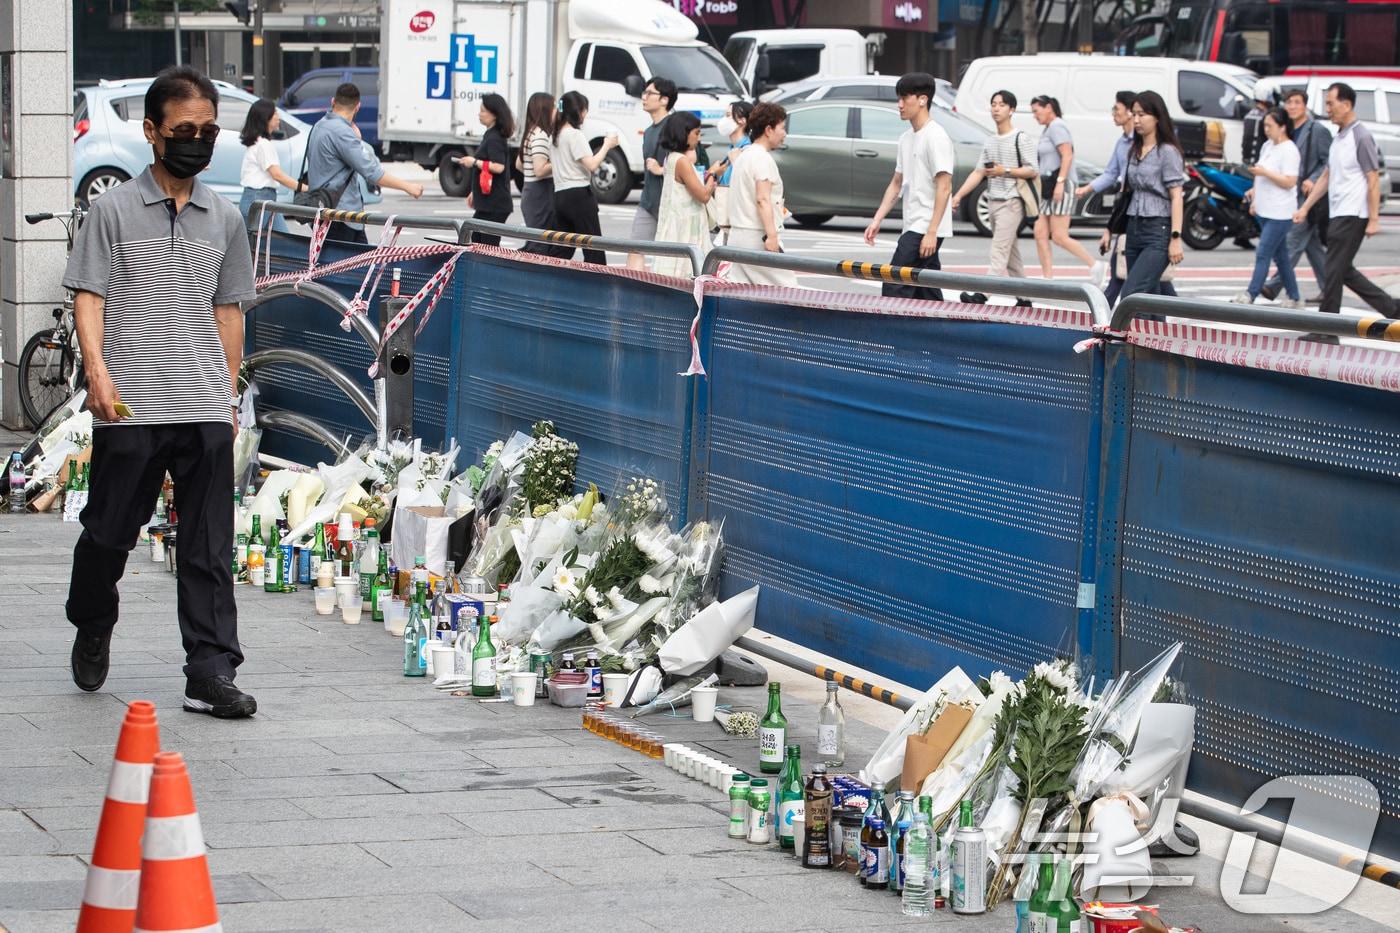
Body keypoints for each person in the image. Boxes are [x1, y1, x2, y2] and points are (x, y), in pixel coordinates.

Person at [62, 66, 258, 717]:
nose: (197, 141)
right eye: (184, 130)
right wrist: (97, 371)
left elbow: (230, 312)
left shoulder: (225, 218)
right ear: (151, 132)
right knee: (108, 535)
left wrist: (227, 399)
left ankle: (210, 668)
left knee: (208, 548)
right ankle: (93, 619)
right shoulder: (111, 210)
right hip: (130, 404)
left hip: (202, 404)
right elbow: (88, 297)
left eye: (207, 130)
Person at [1295, 82, 1397, 318]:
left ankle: (1327, 327)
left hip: (1353, 213)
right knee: (1342, 270)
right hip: (1339, 211)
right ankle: (1393, 309)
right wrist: (1305, 207)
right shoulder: (1340, 137)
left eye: (1330, 103)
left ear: (1347, 104)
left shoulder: (1360, 136)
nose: (1327, 109)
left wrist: (1373, 219)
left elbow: (1372, 178)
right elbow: (1327, 176)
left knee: (1332, 270)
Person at [862, 72, 955, 300]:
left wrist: (932, 232)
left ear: (922, 100)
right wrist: (877, 219)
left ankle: (893, 330)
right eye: (899, 98)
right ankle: (937, 330)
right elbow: (896, 184)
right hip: (913, 222)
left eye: (905, 98)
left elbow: (944, 187)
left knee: (896, 280)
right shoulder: (906, 138)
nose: (900, 105)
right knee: (925, 284)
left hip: (925, 225)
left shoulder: (936, 137)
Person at [306, 83, 423, 242]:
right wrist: (408, 187)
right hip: (341, 216)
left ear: (333, 101)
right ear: (358, 107)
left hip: (323, 209)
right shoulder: (342, 132)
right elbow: (372, 172)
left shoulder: (319, 126)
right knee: (353, 264)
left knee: (348, 264)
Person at [951, 89, 1037, 292]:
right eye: (994, 104)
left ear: (1012, 110)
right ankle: (1024, 296)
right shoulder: (990, 140)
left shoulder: (1020, 138)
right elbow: (978, 172)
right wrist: (959, 196)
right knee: (1010, 252)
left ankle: (984, 295)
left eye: (1002, 105)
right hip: (993, 201)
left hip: (1012, 202)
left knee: (999, 250)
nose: (996, 108)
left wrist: (1004, 171)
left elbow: (1033, 170)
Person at [1261, 88, 1330, 302]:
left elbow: (1329, 161)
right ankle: (1330, 288)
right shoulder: (1287, 130)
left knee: (1292, 241)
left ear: (1305, 105)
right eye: (1289, 102)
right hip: (1289, 194)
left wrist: (1314, 178)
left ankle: (1273, 285)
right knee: (1312, 246)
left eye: (1297, 102)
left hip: (1308, 196)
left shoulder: (1316, 130)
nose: (1292, 106)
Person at [1118, 90, 1187, 302]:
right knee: (1150, 296)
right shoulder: (1134, 149)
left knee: (1132, 294)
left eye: (1142, 114)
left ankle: (1127, 333)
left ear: (1157, 117)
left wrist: (1175, 238)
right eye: (1134, 114)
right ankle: (1155, 335)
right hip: (1134, 226)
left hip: (1159, 229)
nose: (1136, 120)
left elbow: (1177, 196)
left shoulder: (1167, 152)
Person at [1235, 109, 1303, 308]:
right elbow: (1260, 176)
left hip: (1281, 212)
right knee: (1281, 257)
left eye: (1270, 126)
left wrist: (1265, 173)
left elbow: (1290, 181)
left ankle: (1251, 293)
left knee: (1264, 252)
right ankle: (1294, 296)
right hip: (1266, 209)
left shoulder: (1289, 150)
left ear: (1282, 127)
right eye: (1265, 126)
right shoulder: (1267, 146)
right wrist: (1254, 194)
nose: (1266, 130)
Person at [727, 102, 797, 287]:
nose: (784, 133)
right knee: (787, 290)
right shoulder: (762, 158)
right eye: (782, 128)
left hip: (737, 236)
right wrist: (772, 236)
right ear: (768, 129)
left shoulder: (744, 156)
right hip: (757, 237)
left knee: (742, 293)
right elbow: (762, 199)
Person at [1030, 95, 1098, 278]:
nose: (1034, 116)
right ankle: (1047, 277)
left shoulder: (1058, 127)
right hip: (1048, 186)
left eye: (1036, 111)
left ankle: (1095, 264)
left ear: (1049, 107)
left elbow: (1067, 155)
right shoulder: (1048, 129)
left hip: (1060, 184)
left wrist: (1060, 183)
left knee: (1059, 236)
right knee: (1040, 232)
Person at [550, 91, 619, 265]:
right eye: (584, 110)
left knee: (563, 248)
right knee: (593, 247)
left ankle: (550, 281)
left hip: (560, 195)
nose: (585, 115)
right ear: (578, 111)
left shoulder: (555, 136)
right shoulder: (574, 135)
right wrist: (607, 145)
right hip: (579, 195)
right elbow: (592, 165)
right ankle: (597, 287)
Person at [652, 112, 716, 277]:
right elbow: (702, 195)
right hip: (687, 226)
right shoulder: (682, 161)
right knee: (690, 272)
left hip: (676, 223)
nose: (698, 138)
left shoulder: (672, 158)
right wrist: (713, 176)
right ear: (684, 133)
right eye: (696, 133)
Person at [626, 77, 678, 271]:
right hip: (648, 201)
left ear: (664, 100)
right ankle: (632, 293)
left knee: (673, 256)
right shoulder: (648, 131)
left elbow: (689, 164)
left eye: (650, 93)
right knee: (635, 248)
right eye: (644, 93)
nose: (644, 97)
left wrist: (661, 170)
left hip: (671, 205)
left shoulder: (675, 127)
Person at [456, 93, 515, 245]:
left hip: (495, 204)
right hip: (488, 202)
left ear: (494, 114)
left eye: (483, 110)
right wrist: (474, 191)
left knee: (487, 245)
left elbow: (498, 167)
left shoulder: (495, 138)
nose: (479, 114)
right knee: (476, 239)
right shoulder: (490, 135)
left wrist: (474, 162)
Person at [237, 99, 302, 234]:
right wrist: (303, 188)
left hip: (263, 197)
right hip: (260, 197)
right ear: (265, 118)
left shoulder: (258, 142)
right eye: (275, 114)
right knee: (252, 246)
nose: (278, 117)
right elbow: (277, 175)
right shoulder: (263, 144)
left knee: (282, 241)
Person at [516, 91, 567, 256]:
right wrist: (558, 161)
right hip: (540, 193)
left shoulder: (531, 132)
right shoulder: (541, 136)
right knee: (539, 245)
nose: (556, 111)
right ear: (545, 110)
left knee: (535, 240)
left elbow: (519, 164)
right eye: (554, 107)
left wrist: (529, 173)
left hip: (531, 191)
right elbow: (539, 170)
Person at [705, 99, 754, 246]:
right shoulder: (733, 150)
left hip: (738, 220)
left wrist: (714, 174)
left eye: (728, 115)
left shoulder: (745, 150)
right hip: (730, 220)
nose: (724, 120)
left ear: (742, 121)